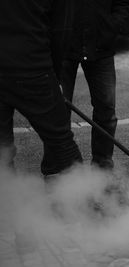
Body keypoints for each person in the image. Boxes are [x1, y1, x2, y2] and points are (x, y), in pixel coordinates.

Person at [0, 0, 83, 178]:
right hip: (33, 68)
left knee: (2, 147)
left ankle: (7, 201)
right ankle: (83, 201)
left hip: (27, 65)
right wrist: (54, 76)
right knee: (61, 142)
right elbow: (61, 31)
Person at [60, 0, 129, 170]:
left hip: (101, 47)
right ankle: (61, 167)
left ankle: (102, 165)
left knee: (106, 109)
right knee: (58, 110)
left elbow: (124, 4)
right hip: (63, 47)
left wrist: (111, 27)